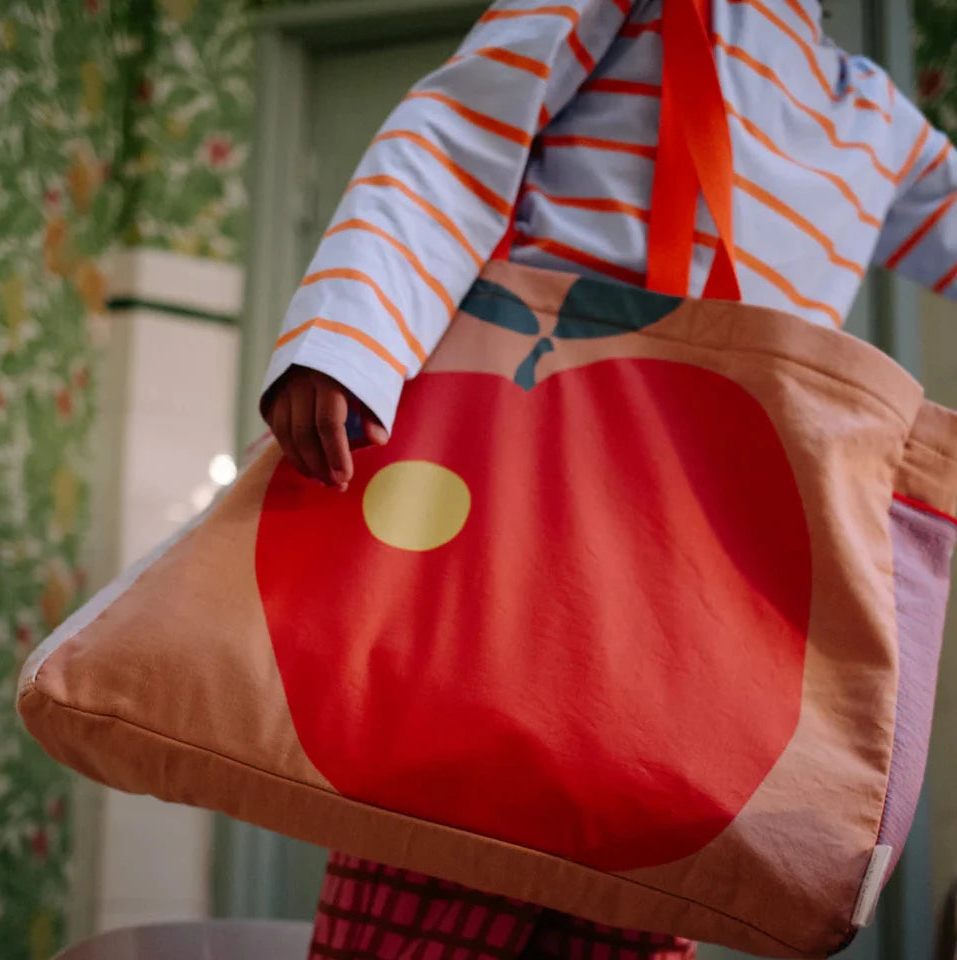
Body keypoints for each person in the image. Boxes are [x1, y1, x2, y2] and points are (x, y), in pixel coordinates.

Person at [260, 1, 957, 957]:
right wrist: (353, 333)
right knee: (442, 818)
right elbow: (460, 133)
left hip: (704, 569)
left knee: (645, 874)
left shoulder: (875, 114)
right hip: (532, 504)